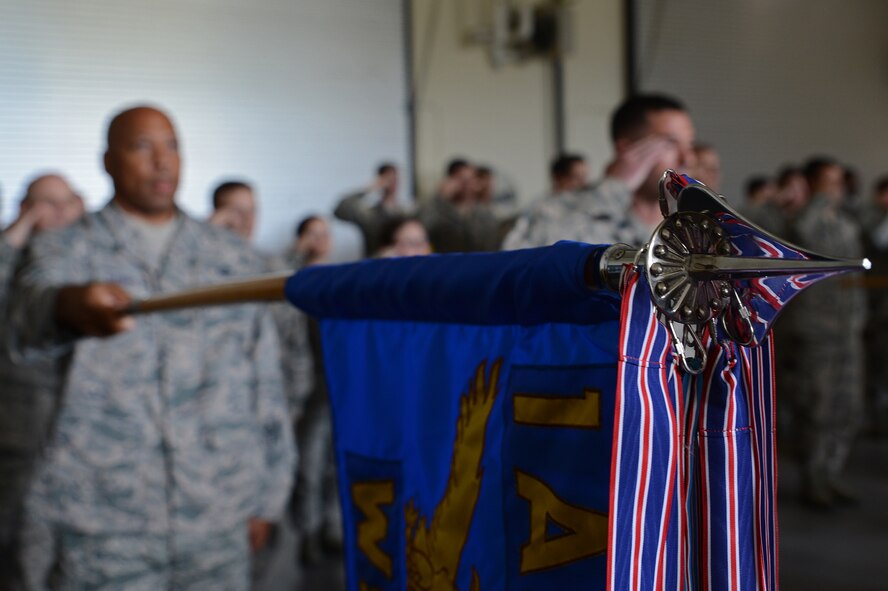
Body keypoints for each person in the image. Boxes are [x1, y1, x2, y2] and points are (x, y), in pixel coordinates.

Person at [7, 106, 295, 589]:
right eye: (142, 147)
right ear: (107, 161)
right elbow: (26, 323)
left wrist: (269, 495)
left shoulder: (231, 257)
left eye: (172, 147)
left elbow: (264, 380)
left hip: (217, 513)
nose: (162, 162)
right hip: (103, 523)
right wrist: (69, 306)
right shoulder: (64, 250)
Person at [0, 173, 84, 584]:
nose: (58, 213)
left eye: (65, 203)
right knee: (13, 530)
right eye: (45, 203)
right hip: (19, 424)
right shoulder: (11, 253)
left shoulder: (83, 255)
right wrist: (21, 228)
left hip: (79, 424)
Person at [503, 93, 696, 250]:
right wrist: (613, 188)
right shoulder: (560, 210)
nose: (687, 158)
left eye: (689, 144)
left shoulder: (697, 224)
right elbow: (518, 264)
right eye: (670, 143)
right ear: (628, 150)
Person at [785, 156, 866, 509]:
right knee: (816, 408)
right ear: (813, 184)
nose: (836, 188)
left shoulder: (846, 223)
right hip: (815, 331)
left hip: (848, 331)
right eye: (828, 181)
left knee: (847, 407)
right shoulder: (799, 220)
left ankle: (832, 472)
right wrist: (817, 200)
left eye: (839, 181)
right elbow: (805, 235)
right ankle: (813, 477)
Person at [419, 158, 499, 253]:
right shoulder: (439, 209)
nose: (467, 185)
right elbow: (422, 229)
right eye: (462, 180)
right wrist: (440, 197)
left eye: (470, 179)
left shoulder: (483, 213)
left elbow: (491, 245)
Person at [334, 163, 403, 257]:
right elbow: (340, 210)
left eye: (395, 179)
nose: (393, 183)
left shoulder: (406, 213)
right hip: (376, 264)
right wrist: (369, 188)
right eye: (388, 179)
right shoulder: (369, 215)